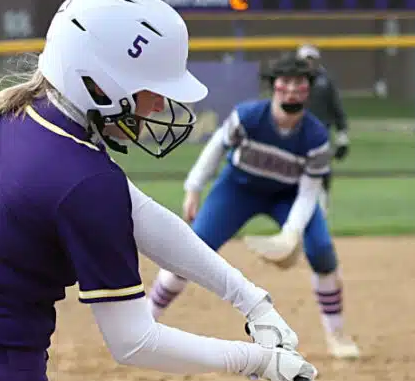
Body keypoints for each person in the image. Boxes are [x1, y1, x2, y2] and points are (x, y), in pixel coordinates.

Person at [0, 0, 319, 381]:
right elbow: (135, 341)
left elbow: (138, 212)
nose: (160, 105)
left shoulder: (20, 111)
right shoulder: (82, 178)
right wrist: (256, 361)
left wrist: (251, 299)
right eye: (151, 89)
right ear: (98, 82)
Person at [147, 55, 361, 360]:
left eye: (299, 85)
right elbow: (216, 148)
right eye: (284, 83)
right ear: (273, 86)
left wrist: (291, 233)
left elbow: (309, 191)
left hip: (287, 195)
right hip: (239, 189)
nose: (290, 91)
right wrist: (193, 188)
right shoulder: (248, 117)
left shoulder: (315, 137)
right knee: (192, 250)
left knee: (322, 251)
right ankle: (147, 318)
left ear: (308, 91)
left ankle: (336, 334)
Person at [297, 43, 349, 212]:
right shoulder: (293, 81)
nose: (309, 63)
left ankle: (322, 209)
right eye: (306, 59)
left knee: (322, 172)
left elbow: (337, 109)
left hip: (321, 133)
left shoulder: (325, 81)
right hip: (297, 133)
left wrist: (342, 137)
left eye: (311, 59)